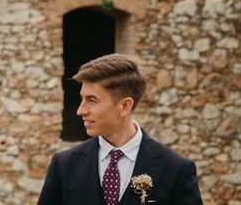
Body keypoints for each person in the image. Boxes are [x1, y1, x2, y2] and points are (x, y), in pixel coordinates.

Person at [37, 53, 203, 205]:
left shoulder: (176, 169)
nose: (80, 110)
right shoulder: (64, 165)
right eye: (82, 99)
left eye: (92, 100)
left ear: (124, 106)